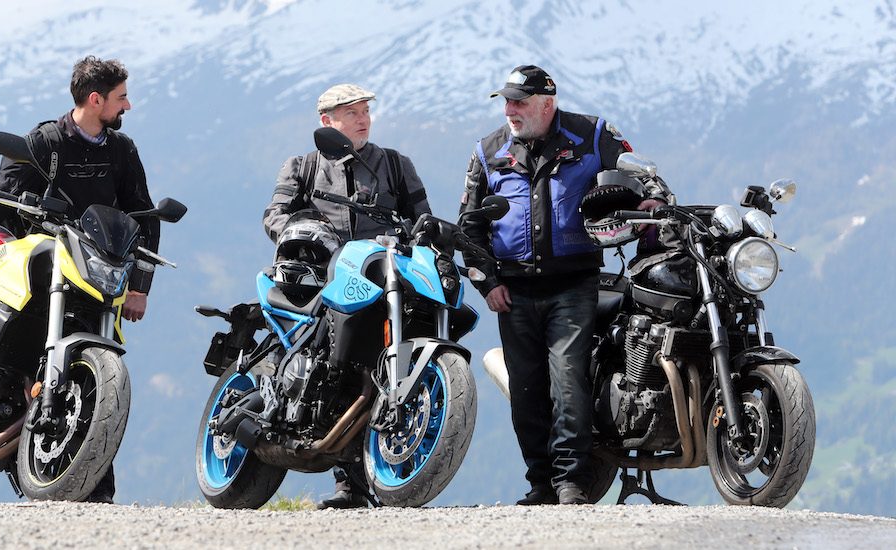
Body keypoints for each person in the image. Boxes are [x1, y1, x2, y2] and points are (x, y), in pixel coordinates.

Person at [0, 56, 160, 503]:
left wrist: (139, 286)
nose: (128, 106)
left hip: (96, 269)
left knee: (93, 374)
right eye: (121, 97)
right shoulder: (44, 143)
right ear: (95, 100)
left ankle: (93, 493)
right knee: (16, 350)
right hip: (40, 266)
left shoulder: (122, 150)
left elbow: (143, 216)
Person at [459, 65, 668, 505]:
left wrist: (654, 198)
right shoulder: (487, 150)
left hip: (574, 283)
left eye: (519, 102)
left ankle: (571, 483)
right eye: (506, 102)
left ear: (546, 104)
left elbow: (639, 172)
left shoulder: (592, 135)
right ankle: (539, 483)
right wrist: (487, 283)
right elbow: (469, 226)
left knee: (567, 379)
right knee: (527, 389)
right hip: (512, 291)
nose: (510, 110)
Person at [262, 83, 432, 509]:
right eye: (351, 112)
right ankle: (349, 485)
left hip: (381, 279)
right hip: (318, 279)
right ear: (327, 121)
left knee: (371, 369)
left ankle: (369, 479)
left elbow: (422, 220)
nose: (362, 119)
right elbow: (275, 216)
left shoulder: (394, 164)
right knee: (333, 369)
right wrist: (303, 236)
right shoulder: (302, 166)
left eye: (365, 111)